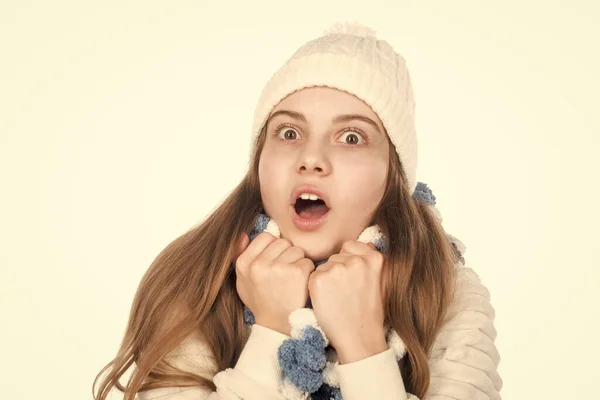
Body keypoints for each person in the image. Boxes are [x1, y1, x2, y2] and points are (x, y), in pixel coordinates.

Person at [93, 22, 503, 400]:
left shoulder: (449, 292)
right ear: (259, 163)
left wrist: (362, 347)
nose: (311, 158)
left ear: (393, 175)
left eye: (351, 137)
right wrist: (271, 329)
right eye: (289, 132)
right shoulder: (195, 282)